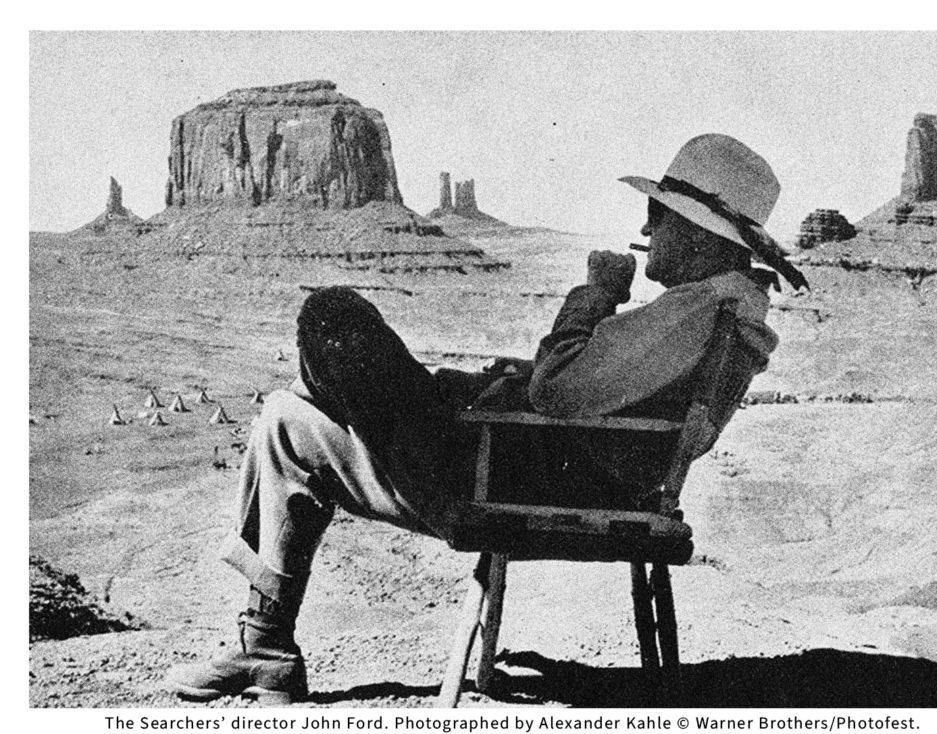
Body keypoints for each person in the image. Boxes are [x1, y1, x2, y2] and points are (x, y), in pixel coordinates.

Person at [166, 133, 806, 704]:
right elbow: (592, 391)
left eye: (659, 216)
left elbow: (559, 392)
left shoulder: (689, 311)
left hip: (501, 477)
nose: (647, 226)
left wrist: (596, 294)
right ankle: (265, 649)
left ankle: (266, 646)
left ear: (698, 236)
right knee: (286, 416)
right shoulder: (719, 307)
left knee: (332, 320)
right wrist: (509, 380)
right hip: (537, 468)